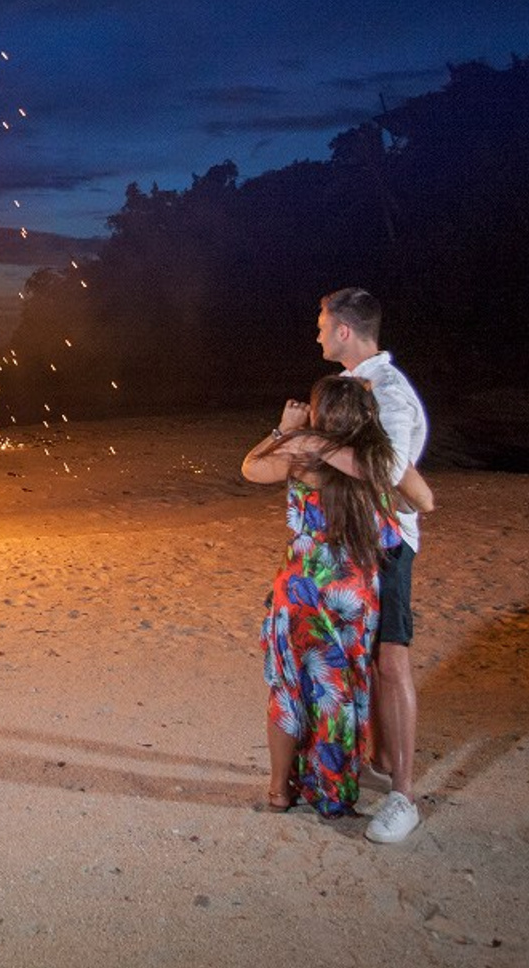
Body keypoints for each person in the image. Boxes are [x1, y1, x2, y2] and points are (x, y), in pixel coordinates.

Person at [242, 375, 431, 819]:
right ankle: (332, 787)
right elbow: (425, 500)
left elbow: (250, 468)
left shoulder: (300, 451)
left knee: (289, 688)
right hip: (352, 595)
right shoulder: (379, 460)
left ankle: (278, 791)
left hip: (300, 590)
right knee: (339, 693)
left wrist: (283, 430)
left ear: (319, 413)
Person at [317, 287, 430, 844]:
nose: (316, 334)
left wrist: (315, 448)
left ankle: (404, 796)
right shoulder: (359, 387)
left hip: (389, 543)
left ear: (343, 330)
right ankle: (381, 759)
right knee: (368, 656)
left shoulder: (389, 393)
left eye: (322, 325)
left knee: (392, 660)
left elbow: (387, 469)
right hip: (360, 539)